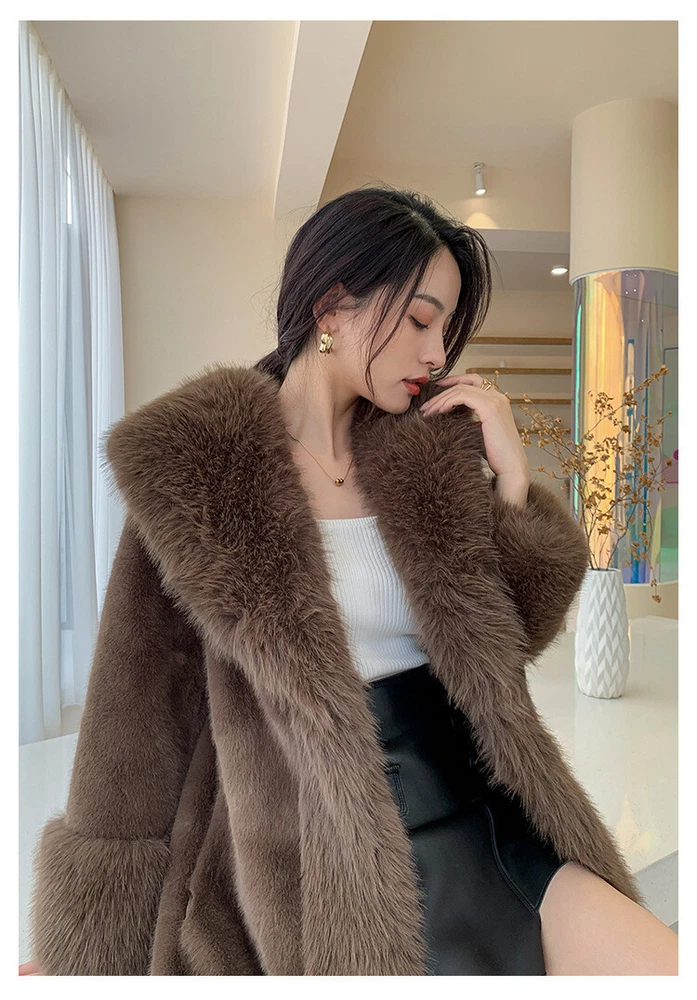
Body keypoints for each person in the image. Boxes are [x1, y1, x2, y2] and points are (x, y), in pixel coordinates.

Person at [24, 186, 677, 975]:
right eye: (421, 320)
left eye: (445, 328)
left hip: (486, 811)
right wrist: (89, 962)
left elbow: (513, 636)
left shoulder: (428, 452)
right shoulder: (198, 475)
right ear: (332, 307)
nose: (437, 354)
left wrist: (510, 478)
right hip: (321, 851)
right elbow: (133, 728)